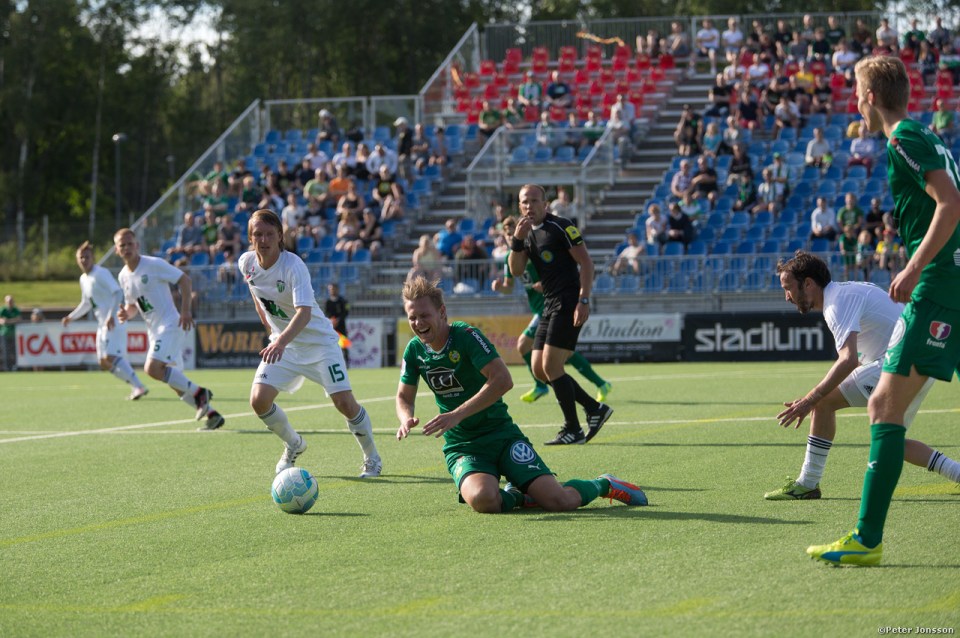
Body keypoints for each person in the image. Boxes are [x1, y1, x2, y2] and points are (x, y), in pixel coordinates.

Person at [807, 56, 960, 566]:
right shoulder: (924, 136)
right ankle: (866, 538)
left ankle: (867, 539)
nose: (855, 104)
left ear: (871, 97)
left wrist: (915, 267)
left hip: (938, 288)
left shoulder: (904, 139)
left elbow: (950, 202)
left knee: (883, 408)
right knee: (883, 407)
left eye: (857, 94)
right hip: (947, 283)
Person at [396, 276, 647, 513]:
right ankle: (519, 496)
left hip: (502, 435)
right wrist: (406, 418)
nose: (418, 323)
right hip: (464, 446)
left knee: (559, 501)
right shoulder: (414, 351)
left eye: (424, 315)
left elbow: (503, 380)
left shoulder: (466, 336)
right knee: (483, 499)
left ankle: (605, 484)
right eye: (412, 317)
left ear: (442, 312)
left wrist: (457, 414)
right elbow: (403, 397)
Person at [240, 210, 381, 477]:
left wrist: (279, 341)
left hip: (319, 345)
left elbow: (303, 313)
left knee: (345, 403)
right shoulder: (246, 263)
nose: (264, 240)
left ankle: (372, 457)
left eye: (269, 234)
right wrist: (271, 330)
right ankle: (293, 444)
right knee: (259, 401)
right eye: (258, 234)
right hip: (285, 345)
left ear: (280, 236)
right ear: (250, 238)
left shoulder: (293, 266)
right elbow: (256, 294)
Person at [508, 184, 613, 445]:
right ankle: (594, 408)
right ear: (519, 206)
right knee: (539, 369)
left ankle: (573, 429)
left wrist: (583, 300)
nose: (529, 206)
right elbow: (516, 270)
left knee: (551, 366)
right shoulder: (526, 234)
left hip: (568, 301)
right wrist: (517, 241)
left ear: (545, 204)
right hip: (549, 303)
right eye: (525, 202)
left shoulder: (561, 226)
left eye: (535, 201)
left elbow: (586, 263)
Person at [492, 216, 612, 404]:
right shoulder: (511, 258)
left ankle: (543, 386)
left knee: (525, 345)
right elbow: (509, 286)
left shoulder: (532, 249)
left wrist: (546, 284)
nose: (509, 237)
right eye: (506, 234)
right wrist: (500, 287)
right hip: (539, 308)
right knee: (563, 353)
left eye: (512, 232)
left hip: (551, 305)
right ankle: (600, 384)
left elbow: (555, 270)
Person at [114, 228, 224, 430]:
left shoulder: (153, 264)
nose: (127, 248)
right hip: (154, 331)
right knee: (176, 384)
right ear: (117, 250)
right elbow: (133, 306)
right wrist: (126, 314)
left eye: (130, 244)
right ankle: (212, 415)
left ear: (137, 245)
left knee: (152, 368)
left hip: (171, 324)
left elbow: (185, 280)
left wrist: (186, 311)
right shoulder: (123, 276)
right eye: (122, 245)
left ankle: (200, 393)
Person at [62, 241, 148, 400]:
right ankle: (136, 386)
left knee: (111, 357)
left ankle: (139, 386)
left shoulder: (100, 273)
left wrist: (110, 315)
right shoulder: (83, 279)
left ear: (93, 258)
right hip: (102, 324)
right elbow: (86, 303)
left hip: (113, 321)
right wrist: (71, 317)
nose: (84, 260)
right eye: (81, 257)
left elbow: (117, 292)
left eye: (87, 257)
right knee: (103, 362)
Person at [323, 282, 350, 366]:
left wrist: (338, 320)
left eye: (333, 289)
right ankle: (330, 364)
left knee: (344, 346)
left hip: (341, 327)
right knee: (330, 346)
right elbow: (326, 313)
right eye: (330, 289)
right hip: (331, 328)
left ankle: (346, 364)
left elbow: (346, 312)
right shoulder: (327, 302)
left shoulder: (343, 301)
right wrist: (330, 320)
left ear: (337, 289)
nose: (332, 291)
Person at [0, 294, 21, 371]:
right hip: (4, 333)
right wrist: (12, 321)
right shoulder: (3, 310)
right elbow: (1, 321)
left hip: (14, 333)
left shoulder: (16, 310)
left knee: (15, 352)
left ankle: (15, 367)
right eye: (9, 302)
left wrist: (8, 321)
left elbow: (18, 319)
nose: (10, 303)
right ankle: (7, 368)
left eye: (11, 301)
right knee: (6, 352)